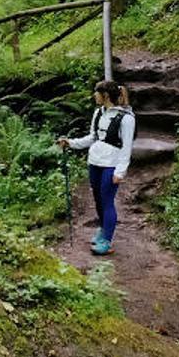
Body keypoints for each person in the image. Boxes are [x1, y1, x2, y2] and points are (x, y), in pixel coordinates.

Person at [58, 79, 135, 256]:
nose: (94, 95)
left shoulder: (126, 118)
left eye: (97, 92)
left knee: (107, 201)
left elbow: (127, 147)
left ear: (106, 95)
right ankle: (102, 229)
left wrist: (120, 171)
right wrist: (71, 143)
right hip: (95, 162)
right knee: (98, 199)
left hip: (111, 164)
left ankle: (106, 241)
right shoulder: (98, 113)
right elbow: (92, 137)